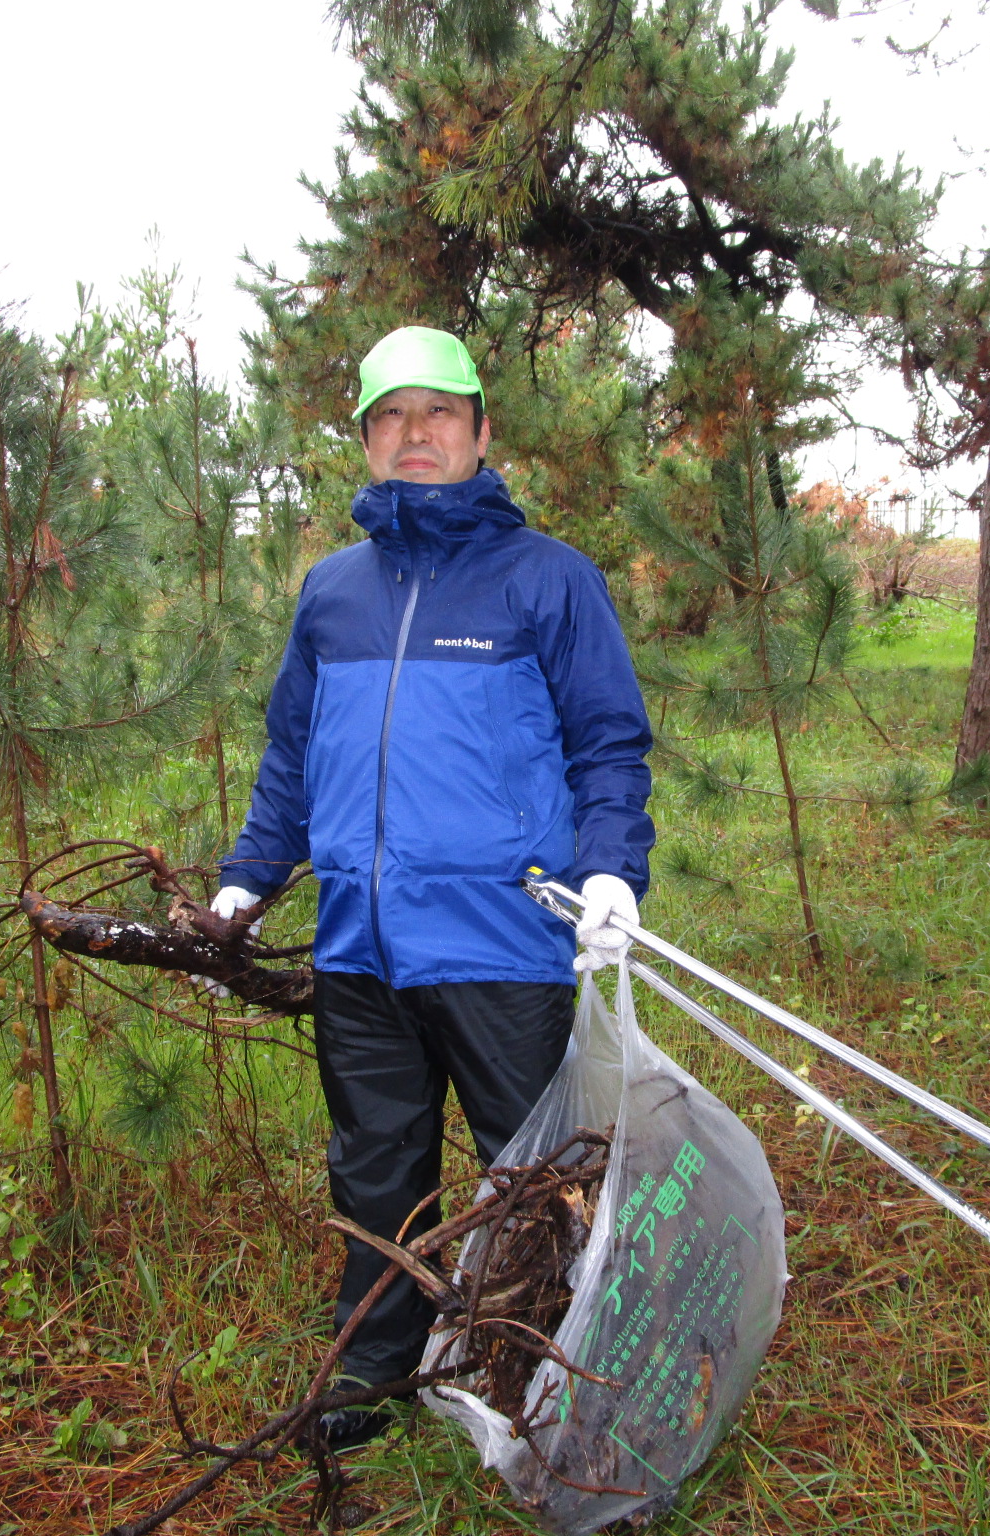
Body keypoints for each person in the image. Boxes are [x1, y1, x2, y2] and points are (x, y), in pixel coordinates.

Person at [207, 325, 654, 1447]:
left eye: (438, 411)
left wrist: (609, 869)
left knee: (535, 1184)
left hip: (503, 942)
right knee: (374, 1178)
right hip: (361, 949)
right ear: (364, 438)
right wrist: (246, 881)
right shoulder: (332, 592)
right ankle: (372, 1375)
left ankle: (561, 1386)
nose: (416, 433)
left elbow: (608, 744)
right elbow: (292, 757)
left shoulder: (545, 580)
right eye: (391, 415)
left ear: (480, 430)